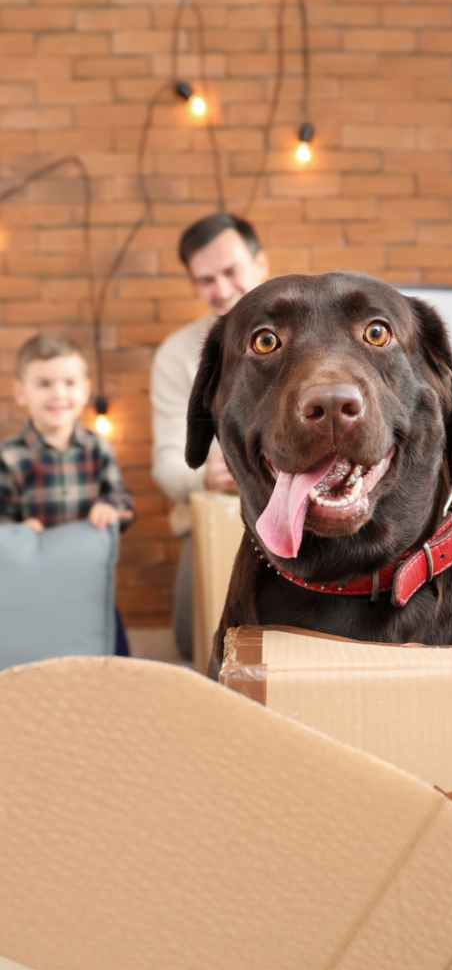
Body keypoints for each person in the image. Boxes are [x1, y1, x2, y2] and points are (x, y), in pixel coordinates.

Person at [151, 212, 268, 659]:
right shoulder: (177, 356)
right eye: (204, 280)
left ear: (260, 264)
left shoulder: (315, 335)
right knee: (195, 639)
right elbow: (166, 465)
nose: (219, 290)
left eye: (230, 271)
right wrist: (204, 476)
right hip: (214, 517)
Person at [0, 333, 135, 652]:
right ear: (20, 392)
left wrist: (109, 507)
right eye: (44, 384)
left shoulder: (97, 449)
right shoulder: (9, 457)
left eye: (69, 383)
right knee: (35, 641)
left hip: (86, 577)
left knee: (111, 646)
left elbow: (122, 501)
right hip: (30, 579)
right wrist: (18, 532)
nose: (58, 394)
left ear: (86, 389)